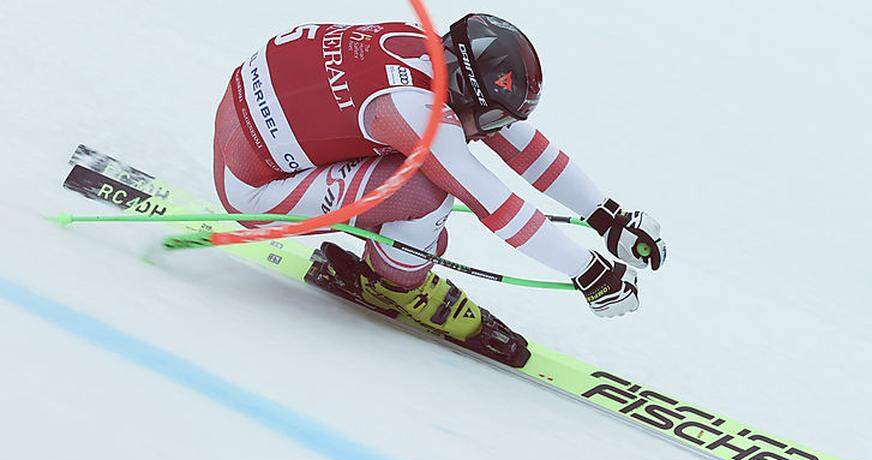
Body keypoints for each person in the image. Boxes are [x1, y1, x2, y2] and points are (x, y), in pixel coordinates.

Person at [213, 15, 667, 344]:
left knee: (432, 162)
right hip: (253, 189)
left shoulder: (428, 49)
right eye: (488, 116)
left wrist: (606, 216)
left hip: (247, 128)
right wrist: (586, 271)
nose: (491, 129)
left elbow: (515, 138)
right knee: (428, 189)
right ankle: (393, 286)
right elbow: (492, 202)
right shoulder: (411, 110)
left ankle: (388, 252)